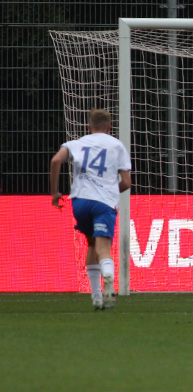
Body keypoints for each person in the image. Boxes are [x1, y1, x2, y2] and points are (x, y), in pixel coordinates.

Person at [50, 108, 133, 310]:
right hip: (103, 202)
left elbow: (56, 160)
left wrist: (55, 192)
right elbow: (127, 182)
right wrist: (112, 189)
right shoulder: (116, 145)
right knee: (103, 248)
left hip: (80, 202)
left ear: (89, 127)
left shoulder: (77, 144)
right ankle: (108, 281)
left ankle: (95, 294)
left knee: (90, 244)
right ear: (109, 127)